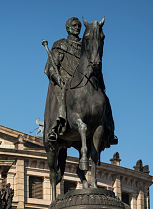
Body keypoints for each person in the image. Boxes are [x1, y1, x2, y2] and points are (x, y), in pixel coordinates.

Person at [44, 17, 117, 146]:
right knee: (59, 93)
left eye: (78, 25)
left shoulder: (85, 43)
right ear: (68, 28)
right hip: (64, 80)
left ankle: (109, 131)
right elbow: (51, 67)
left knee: (104, 99)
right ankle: (54, 127)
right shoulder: (60, 45)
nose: (77, 27)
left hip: (84, 80)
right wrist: (57, 77)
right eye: (74, 25)